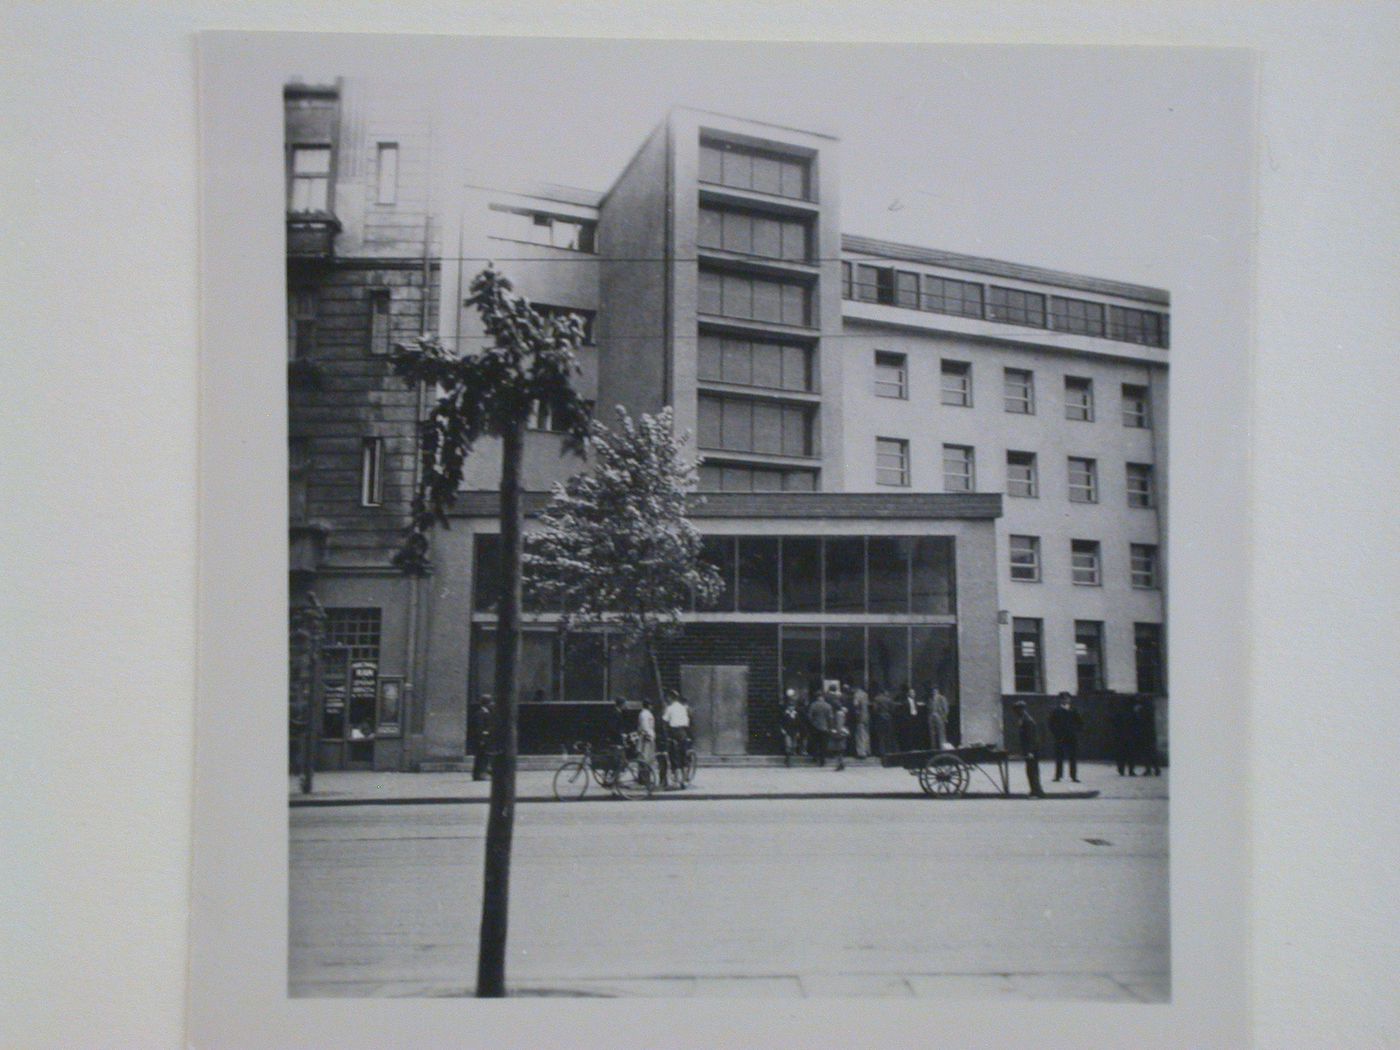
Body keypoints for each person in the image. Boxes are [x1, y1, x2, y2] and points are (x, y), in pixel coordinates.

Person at [1013, 699, 1046, 798]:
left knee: (1033, 770)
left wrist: (1030, 751)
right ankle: (1034, 790)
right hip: (1030, 750)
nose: (1016, 712)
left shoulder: (1027, 721)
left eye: (1017, 710)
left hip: (1032, 750)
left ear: (1021, 709)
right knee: (1030, 770)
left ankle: (1038, 791)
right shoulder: (1024, 719)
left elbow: (1032, 737)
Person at [1048, 692, 1083, 783]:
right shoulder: (1056, 711)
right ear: (1060, 700)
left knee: (1073, 757)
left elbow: (1080, 723)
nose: (1065, 700)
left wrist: (1075, 732)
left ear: (1070, 700)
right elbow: (1051, 724)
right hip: (1060, 737)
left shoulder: (1074, 711)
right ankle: (1058, 776)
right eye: (1063, 698)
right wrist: (1056, 733)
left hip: (1072, 737)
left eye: (1067, 698)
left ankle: (1074, 776)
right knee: (1059, 756)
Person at [662, 689, 692, 787]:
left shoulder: (669, 708)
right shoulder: (682, 708)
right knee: (683, 755)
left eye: (668, 698)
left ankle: (677, 780)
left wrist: (665, 734)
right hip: (683, 732)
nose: (667, 699)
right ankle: (684, 780)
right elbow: (687, 722)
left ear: (671, 698)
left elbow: (665, 721)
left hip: (674, 732)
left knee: (674, 756)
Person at [1134, 699, 1162, 776]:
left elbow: (1140, 721)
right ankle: (1155, 769)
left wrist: (1138, 712)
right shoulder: (1150, 712)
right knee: (1151, 752)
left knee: (1147, 752)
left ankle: (1150, 769)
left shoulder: (1143, 713)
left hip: (1146, 734)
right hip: (1150, 734)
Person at [806, 689, 833, 767]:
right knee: (823, 744)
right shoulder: (828, 705)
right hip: (825, 727)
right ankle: (822, 760)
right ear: (823, 697)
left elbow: (809, 716)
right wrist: (830, 726)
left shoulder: (813, 705)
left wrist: (813, 723)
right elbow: (830, 717)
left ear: (816, 697)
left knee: (815, 742)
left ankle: (815, 756)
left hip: (815, 727)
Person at [471, 695, 495, 781]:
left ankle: (481, 774)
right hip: (483, 739)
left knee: (484, 757)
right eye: (491, 702)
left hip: (486, 739)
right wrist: (482, 738)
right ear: (487, 703)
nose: (492, 704)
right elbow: (479, 728)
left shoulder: (487, 712)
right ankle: (479, 774)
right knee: (481, 757)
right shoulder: (481, 713)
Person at [636, 699, 658, 785]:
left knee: (646, 758)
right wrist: (649, 734)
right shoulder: (645, 714)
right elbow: (645, 726)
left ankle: (645, 778)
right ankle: (644, 779)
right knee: (645, 758)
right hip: (647, 738)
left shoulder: (644, 713)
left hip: (647, 736)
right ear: (649, 705)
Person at [1112, 696, 1135, 776]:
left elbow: (1114, 724)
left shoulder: (1119, 713)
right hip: (1130, 736)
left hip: (1120, 736)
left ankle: (1121, 769)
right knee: (1130, 754)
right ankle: (1131, 770)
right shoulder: (1132, 713)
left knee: (1121, 754)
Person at [779, 690, 802, 767]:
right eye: (790, 707)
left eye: (792, 707)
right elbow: (781, 722)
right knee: (788, 745)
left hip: (794, 731)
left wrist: (798, 731)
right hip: (787, 731)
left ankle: (790, 759)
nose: (792, 708)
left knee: (793, 746)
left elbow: (798, 724)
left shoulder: (796, 714)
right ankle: (788, 761)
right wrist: (782, 729)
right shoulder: (785, 714)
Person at [828, 690, 849, 771]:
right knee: (839, 750)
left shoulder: (838, 714)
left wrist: (836, 731)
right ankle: (841, 763)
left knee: (838, 749)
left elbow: (839, 724)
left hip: (838, 733)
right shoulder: (841, 713)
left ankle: (840, 764)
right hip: (841, 732)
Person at [872, 687, 896, 757]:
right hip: (888, 717)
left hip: (880, 717)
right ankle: (889, 751)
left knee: (881, 736)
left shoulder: (876, 699)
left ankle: (882, 752)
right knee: (888, 735)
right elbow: (893, 708)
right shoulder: (889, 699)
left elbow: (875, 709)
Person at [852, 684, 871, 759]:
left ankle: (861, 753)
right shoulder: (865, 695)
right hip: (866, 716)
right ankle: (867, 750)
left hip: (860, 718)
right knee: (866, 734)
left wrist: (856, 715)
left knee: (860, 735)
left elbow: (856, 705)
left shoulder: (857, 695)